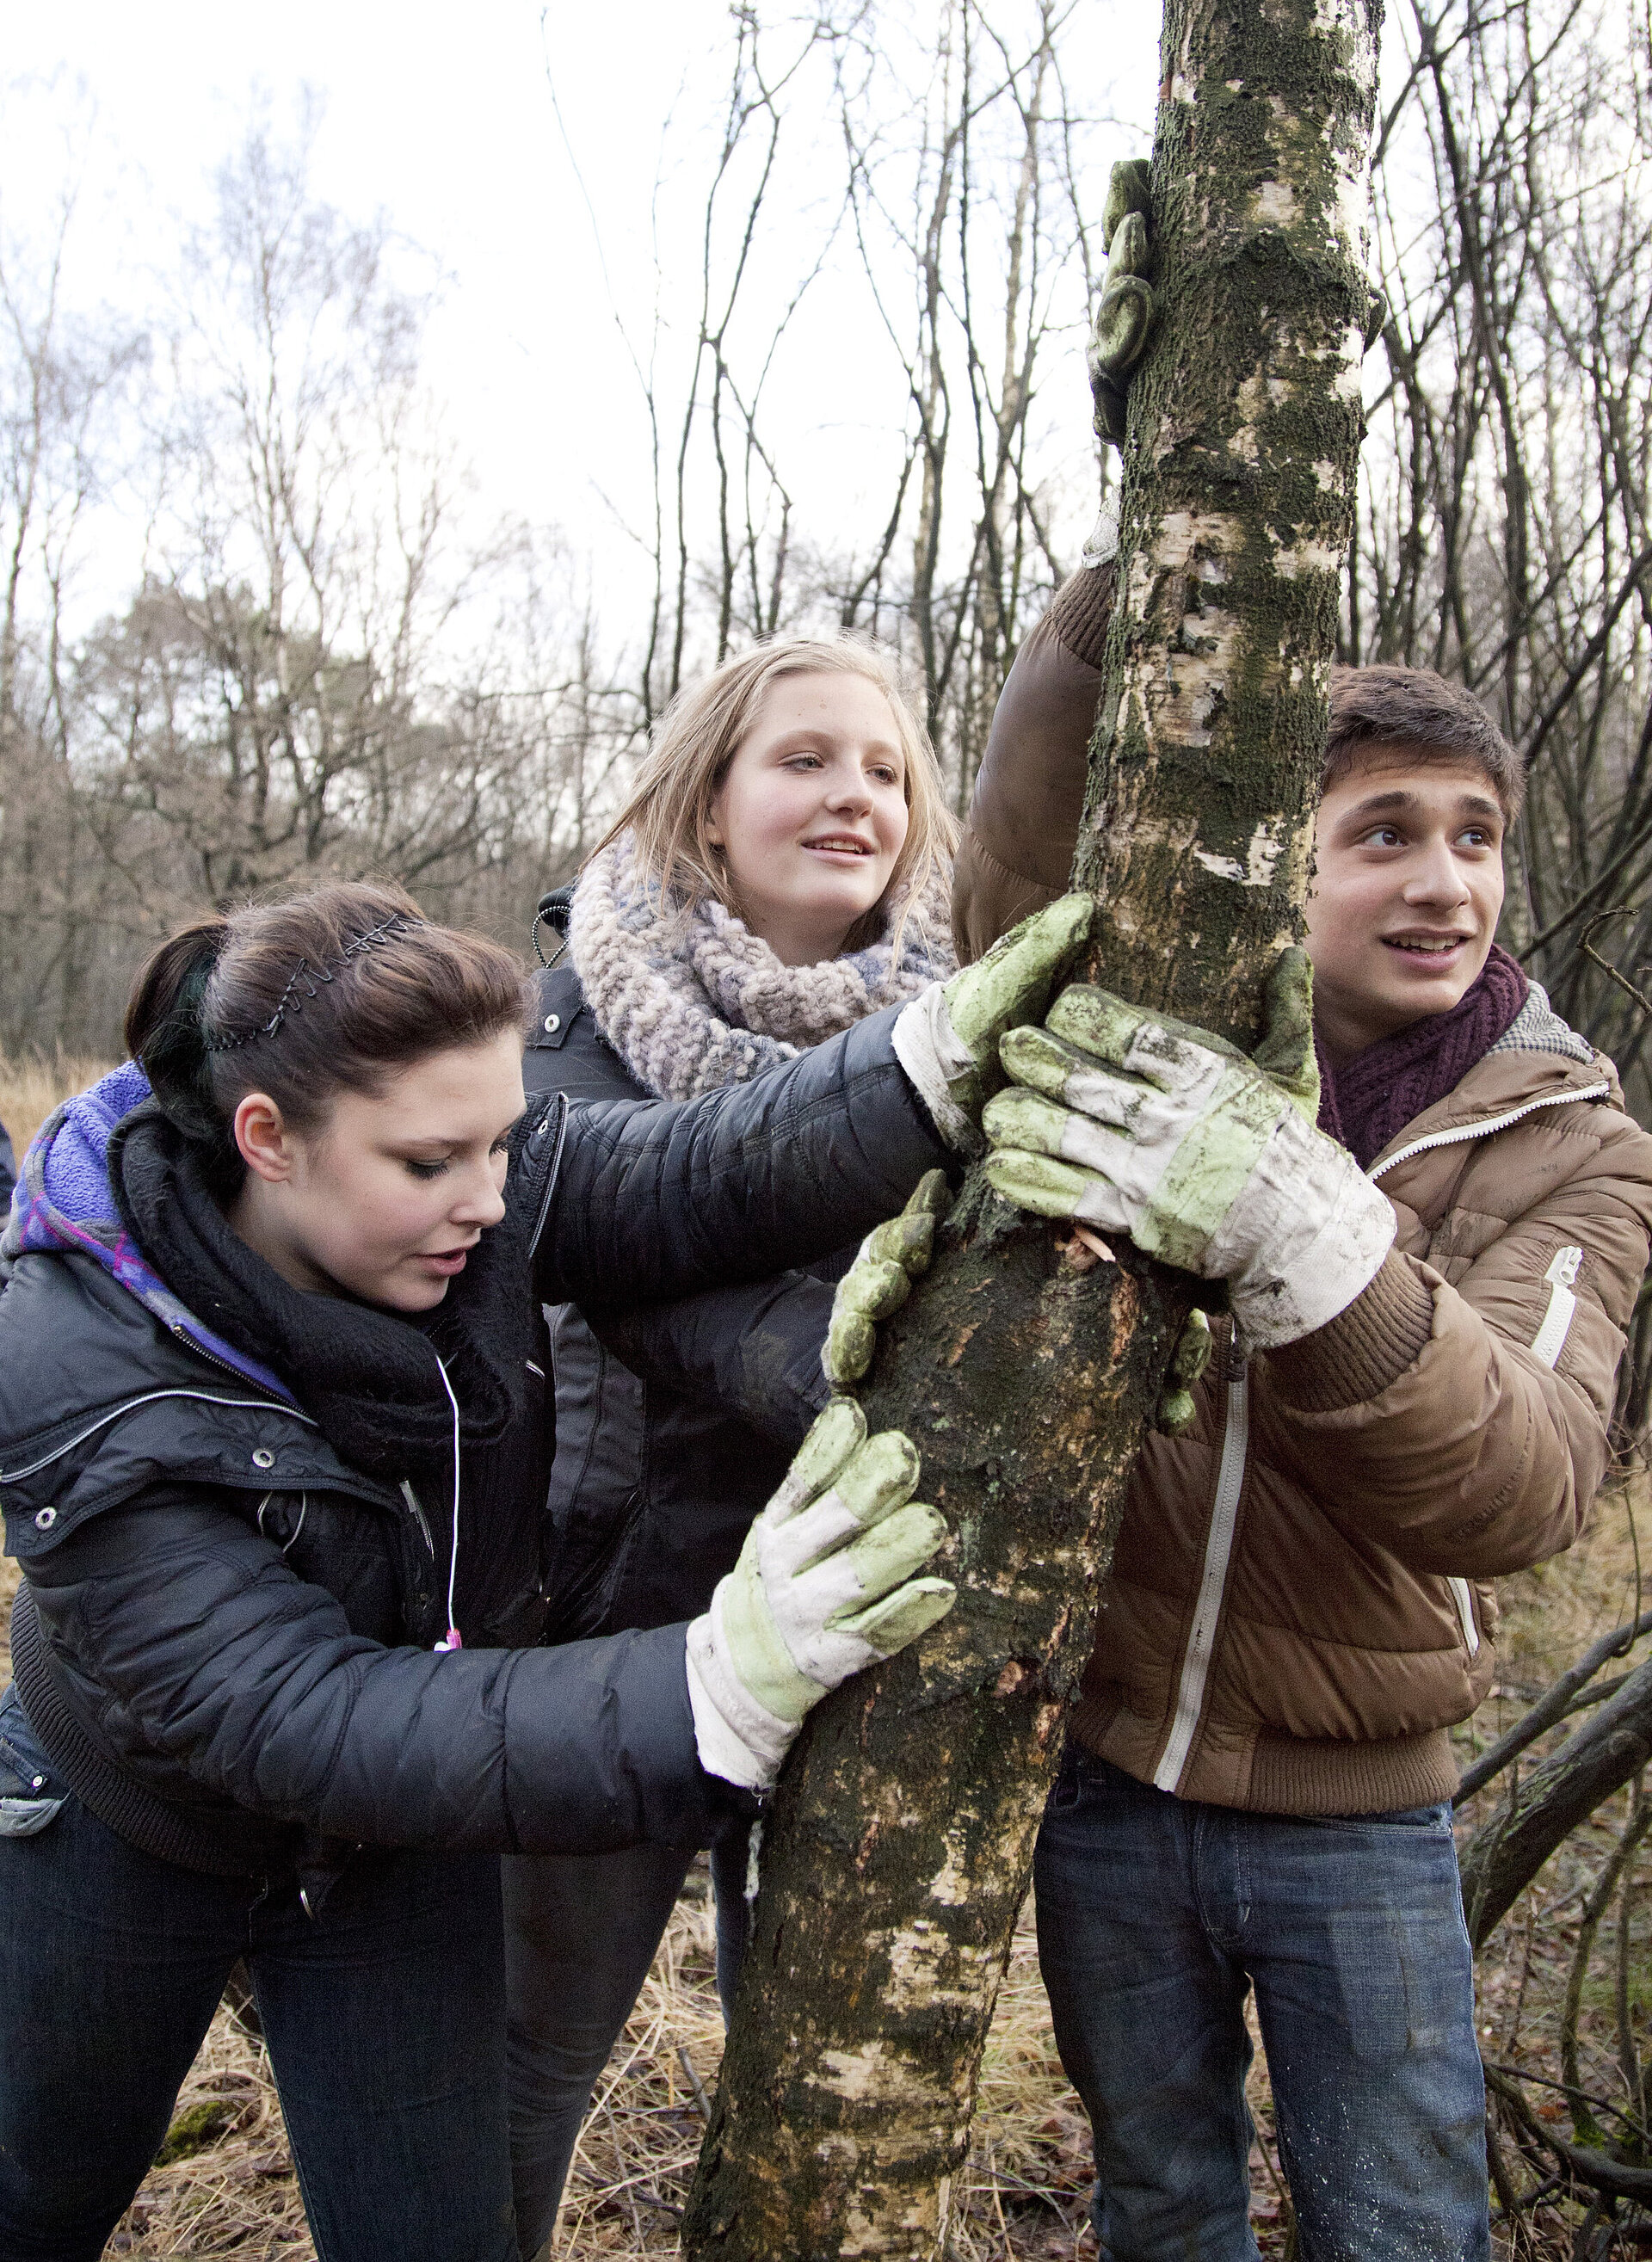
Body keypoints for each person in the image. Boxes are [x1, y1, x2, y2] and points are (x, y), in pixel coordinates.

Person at [0, 874, 1082, 2262]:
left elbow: (701, 1170)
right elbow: (298, 1714)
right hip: (127, 1829)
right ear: (267, 1137)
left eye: (504, 1145)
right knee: (38, 2194)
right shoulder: (77, 1367)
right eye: (430, 1163)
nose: (487, 1202)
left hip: (396, 1853)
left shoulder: (472, 1196)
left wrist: (925, 1065)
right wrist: (715, 1684)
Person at [964, 660, 1652, 2259]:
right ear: (1286, 859)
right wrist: (1111, 610)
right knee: (1160, 2205)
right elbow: (1012, 877)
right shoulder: (1163, 1032)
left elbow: (1534, 1477)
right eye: (1386, 833)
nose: (1445, 881)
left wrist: (1317, 1245)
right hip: (1111, 1772)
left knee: (1401, 2219)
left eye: (1477, 838)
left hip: (1361, 1814)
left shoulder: (1574, 1139)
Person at [506, 636, 958, 2258]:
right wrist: (882, 1399)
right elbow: (628, 1264)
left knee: (824, 2085)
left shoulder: (960, 1020)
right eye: (805, 758)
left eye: (886, 769)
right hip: (619, 1625)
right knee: (529, 2058)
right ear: (708, 803)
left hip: (867, 1624)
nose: (854, 795)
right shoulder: (578, 998)